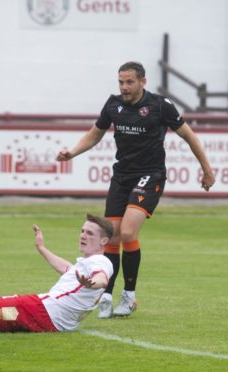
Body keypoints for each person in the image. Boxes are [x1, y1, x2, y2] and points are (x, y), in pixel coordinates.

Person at [56, 61, 215, 318]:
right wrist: (71, 152)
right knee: (112, 236)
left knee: (128, 231)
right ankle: (106, 294)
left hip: (150, 175)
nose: (124, 87)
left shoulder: (161, 106)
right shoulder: (113, 105)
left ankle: (129, 296)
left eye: (129, 82)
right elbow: (94, 134)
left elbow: (189, 136)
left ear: (143, 81)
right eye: (121, 82)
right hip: (121, 177)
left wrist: (207, 170)